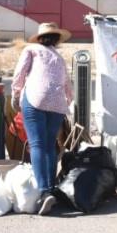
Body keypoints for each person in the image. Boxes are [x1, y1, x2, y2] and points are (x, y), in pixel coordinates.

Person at [11, 22, 73, 215]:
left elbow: (20, 74)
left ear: (39, 37)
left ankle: (44, 192)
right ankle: (51, 188)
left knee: (36, 145)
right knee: (49, 146)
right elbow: (68, 86)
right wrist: (66, 103)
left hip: (35, 98)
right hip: (57, 104)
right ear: (56, 39)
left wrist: (15, 95)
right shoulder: (59, 57)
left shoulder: (31, 50)